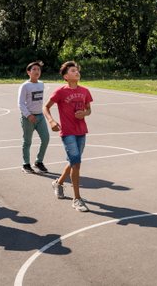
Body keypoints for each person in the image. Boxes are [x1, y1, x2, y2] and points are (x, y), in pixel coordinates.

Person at [43, 60, 93, 212]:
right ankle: (77, 199)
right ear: (65, 76)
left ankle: (58, 183)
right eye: (72, 71)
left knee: (73, 161)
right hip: (68, 132)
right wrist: (51, 120)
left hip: (81, 131)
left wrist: (84, 113)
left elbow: (89, 110)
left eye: (77, 70)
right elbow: (45, 107)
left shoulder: (85, 91)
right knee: (76, 164)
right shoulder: (60, 92)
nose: (76, 72)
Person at [18, 61, 50, 174]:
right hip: (28, 118)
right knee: (27, 142)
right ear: (28, 72)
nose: (37, 71)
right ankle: (26, 164)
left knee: (46, 139)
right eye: (34, 69)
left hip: (40, 116)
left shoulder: (41, 84)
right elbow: (21, 103)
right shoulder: (25, 86)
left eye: (38, 69)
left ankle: (38, 162)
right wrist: (28, 115)